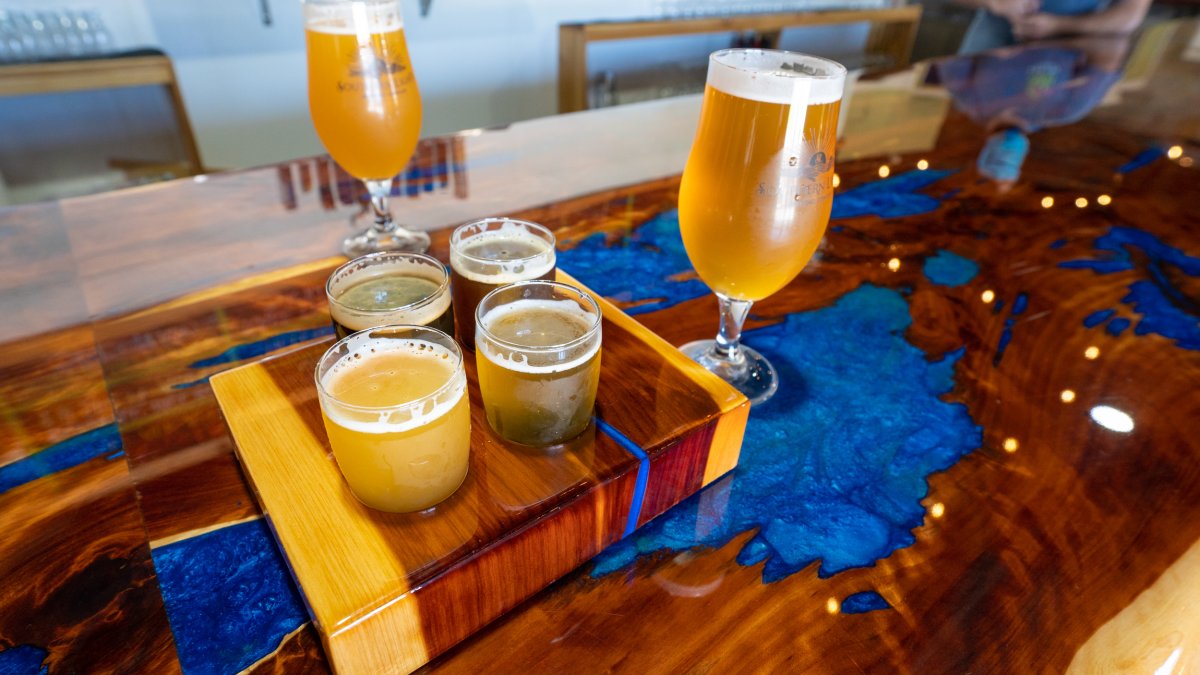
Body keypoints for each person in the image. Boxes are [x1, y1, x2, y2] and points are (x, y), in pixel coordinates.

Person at [954, 0, 1151, 53]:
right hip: (987, 46)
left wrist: (1059, 26)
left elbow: (1130, 16)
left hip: (1071, 52)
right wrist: (994, 2)